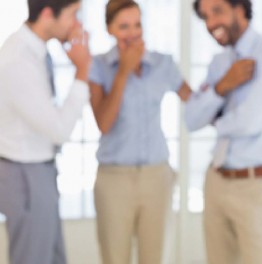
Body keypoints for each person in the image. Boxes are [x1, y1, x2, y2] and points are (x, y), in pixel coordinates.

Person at [187, 0, 262, 263]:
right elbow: (191, 118)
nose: (211, 23)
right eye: (205, 17)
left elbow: (250, 121)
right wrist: (222, 86)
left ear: (239, 8)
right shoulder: (219, 64)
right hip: (215, 180)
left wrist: (216, 119)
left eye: (217, 11)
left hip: (255, 186)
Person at [87, 0, 192, 263]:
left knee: (155, 257)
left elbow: (196, 102)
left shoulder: (163, 63)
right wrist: (123, 72)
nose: (132, 33)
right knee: (115, 257)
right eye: (123, 26)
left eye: (137, 25)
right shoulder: (98, 66)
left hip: (157, 176)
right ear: (109, 29)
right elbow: (104, 123)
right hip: (114, 180)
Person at [0, 0, 91, 263]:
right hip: (25, 174)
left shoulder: (34, 50)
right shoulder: (18, 60)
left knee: (52, 257)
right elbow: (59, 130)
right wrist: (82, 69)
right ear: (49, 14)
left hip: (37, 170)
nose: (78, 24)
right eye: (73, 15)